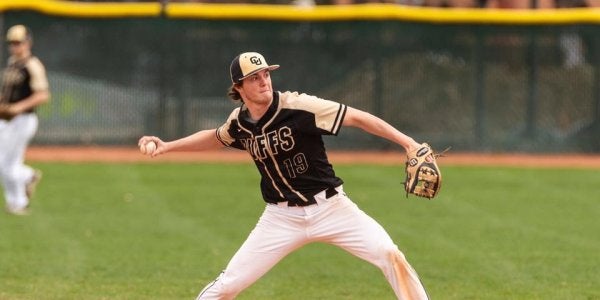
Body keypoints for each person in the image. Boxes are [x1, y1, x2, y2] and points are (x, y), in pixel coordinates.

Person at [138, 52, 430, 300]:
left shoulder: (300, 107)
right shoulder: (239, 123)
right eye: (254, 77)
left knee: (389, 254)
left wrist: (408, 143)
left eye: (265, 74)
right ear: (238, 87)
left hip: (332, 209)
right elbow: (215, 137)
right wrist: (168, 146)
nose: (264, 81)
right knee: (228, 286)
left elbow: (358, 117)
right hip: (280, 219)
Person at [0, 25, 50, 215]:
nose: (14, 47)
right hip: (6, 120)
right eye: (11, 43)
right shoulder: (13, 63)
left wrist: (17, 108)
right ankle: (27, 177)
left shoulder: (32, 65)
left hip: (23, 120)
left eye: (18, 43)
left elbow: (43, 95)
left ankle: (18, 202)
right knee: (3, 163)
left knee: (7, 164)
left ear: (28, 42)